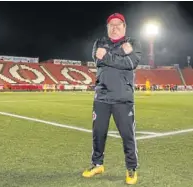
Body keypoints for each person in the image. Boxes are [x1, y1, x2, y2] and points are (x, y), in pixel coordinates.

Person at [82, 13, 142, 185]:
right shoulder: (99, 43)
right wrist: (121, 53)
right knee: (98, 133)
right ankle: (97, 164)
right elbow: (98, 60)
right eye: (111, 25)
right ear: (107, 28)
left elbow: (131, 63)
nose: (115, 28)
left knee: (127, 135)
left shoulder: (135, 43)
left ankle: (131, 168)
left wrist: (108, 55)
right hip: (101, 97)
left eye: (118, 25)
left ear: (124, 27)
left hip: (123, 98)